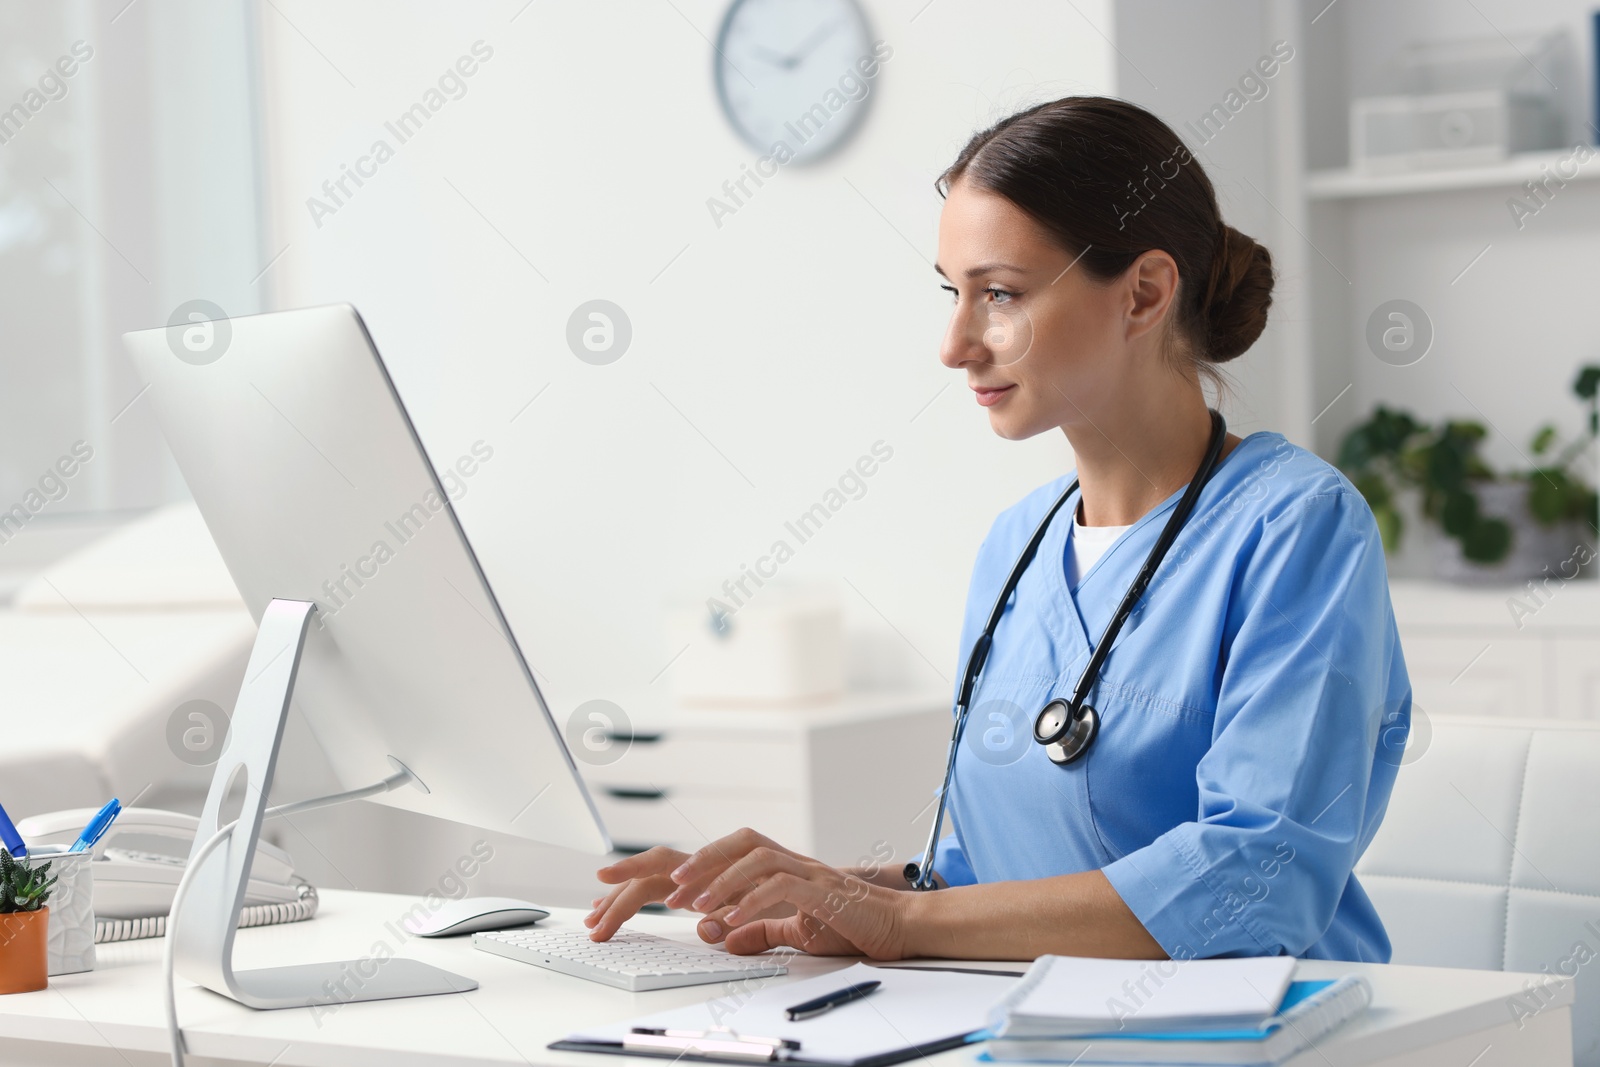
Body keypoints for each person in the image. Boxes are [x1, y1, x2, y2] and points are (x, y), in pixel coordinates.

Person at [585, 96, 1411, 963]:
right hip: (1031, 1024)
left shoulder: (1297, 527)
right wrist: (797, 892)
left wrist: (903, 924)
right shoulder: (1018, 546)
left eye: (1000, 295)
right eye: (953, 294)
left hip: (1268, 1037)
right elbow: (976, 881)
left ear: (1145, 293)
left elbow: (1258, 879)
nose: (955, 343)